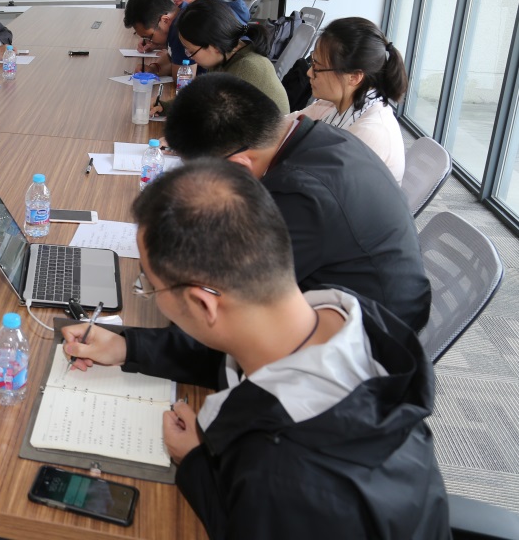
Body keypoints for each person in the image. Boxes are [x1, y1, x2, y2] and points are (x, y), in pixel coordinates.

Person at [62, 161, 450, 539]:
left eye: (150, 286)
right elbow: (228, 345)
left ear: (203, 303)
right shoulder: (342, 313)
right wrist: (127, 346)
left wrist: (195, 465)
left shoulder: (281, 477)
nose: (150, 293)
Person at [163, 72, 429, 331]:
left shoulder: (297, 194)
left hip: (370, 340)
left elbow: (227, 304)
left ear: (240, 166)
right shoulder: (322, 137)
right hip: (356, 302)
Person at [293, 17, 407, 182]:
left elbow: (325, 183)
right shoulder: (333, 103)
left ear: (354, 77)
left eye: (317, 67)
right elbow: (287, 125)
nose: (309, 72)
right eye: (312, 62)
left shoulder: (371, 131)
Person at [154, 0, 288, 117]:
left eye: (192, 51)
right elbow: (203, 97)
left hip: (264, 138)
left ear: (214, 47)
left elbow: (216, 119)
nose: (189, 55)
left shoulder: (246, 68)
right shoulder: (223, 58)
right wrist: (165, 107)